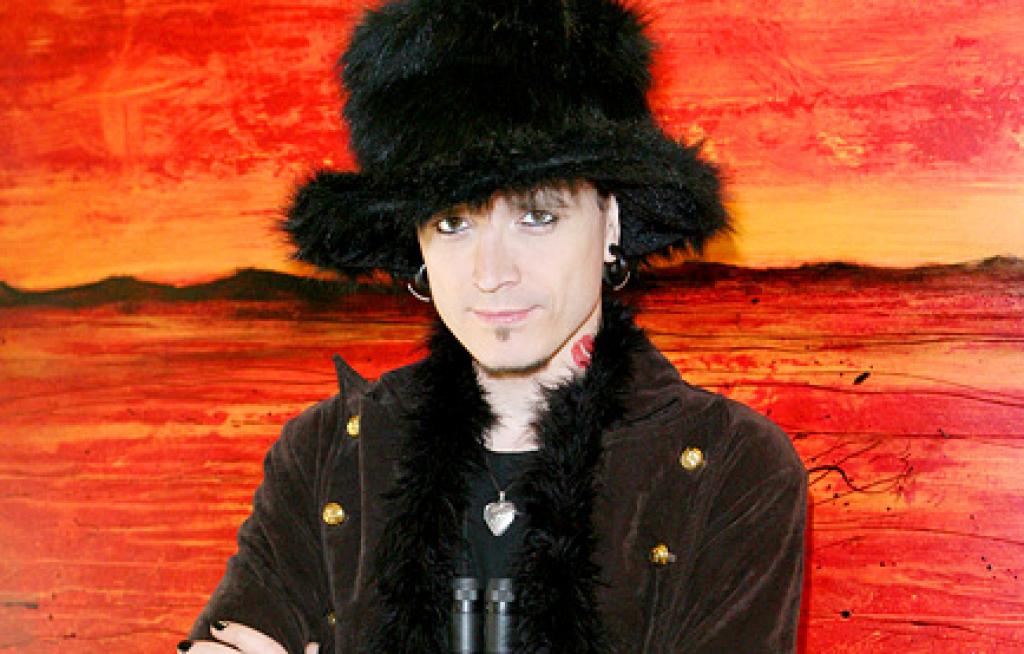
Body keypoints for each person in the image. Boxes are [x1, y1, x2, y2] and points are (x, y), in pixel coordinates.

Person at [181, 1, 807, 652]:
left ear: (611, 223)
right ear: (418, 241)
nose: (490, 274)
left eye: (537, 217)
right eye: (453, 223)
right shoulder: (327, 454)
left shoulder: (730, 467)